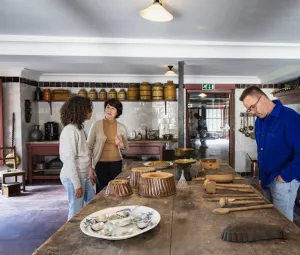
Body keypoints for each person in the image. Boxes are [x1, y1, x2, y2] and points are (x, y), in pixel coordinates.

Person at [239, 86, 300, 221]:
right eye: (249, 109)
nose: (252, 112)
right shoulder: (259, 121)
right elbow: (262, 150)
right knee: (271, 217)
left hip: (284, 180)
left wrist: (284, 177)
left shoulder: (290, 118)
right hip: (267, 179)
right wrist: (262, 177)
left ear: (263, 99)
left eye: (253, 107)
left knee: (283, 222)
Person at [59, 96, 95, 220]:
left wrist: (90, 170)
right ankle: (70, 237)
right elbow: (69, 161)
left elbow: (85, 154)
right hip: (73, 178)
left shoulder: (79, 128)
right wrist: (76, 185)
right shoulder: (70, 130)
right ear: (80, 110)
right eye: (88, 109)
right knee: (76, 212)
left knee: (92, 204)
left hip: (83, 176)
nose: (91, 112)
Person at [87, 98, 128, 194]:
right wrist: (90, 168)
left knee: (116, 192)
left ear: (117, 112)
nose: (109, 110)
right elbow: (89, 147)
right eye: (108, 107)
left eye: (113, 108)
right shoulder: (96, 125)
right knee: (101, 193)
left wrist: (121, 145)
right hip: (100, 164)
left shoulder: (122, 127)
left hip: (116, 164)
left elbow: (125, 150)